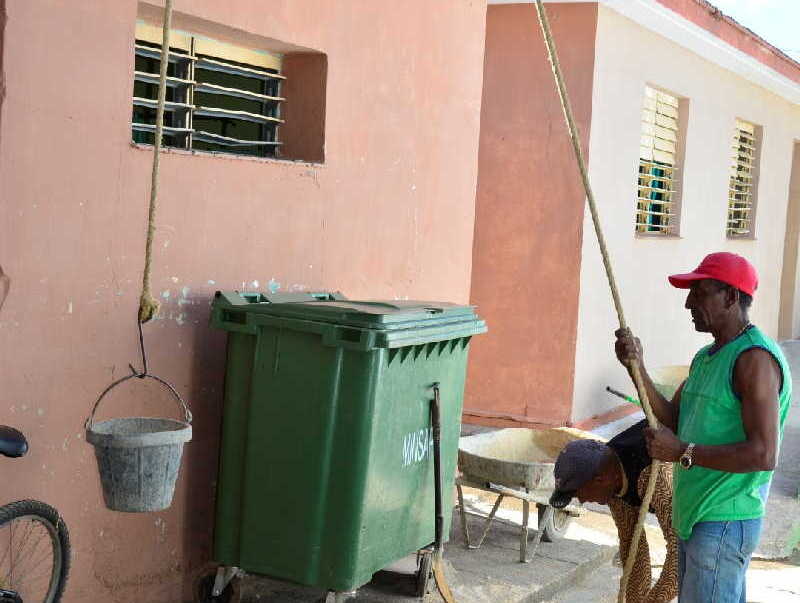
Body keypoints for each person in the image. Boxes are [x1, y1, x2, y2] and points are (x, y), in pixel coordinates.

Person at [615, 252, 792, 603]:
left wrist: (682, 452)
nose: (688, 303)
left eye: (699, 292)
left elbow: (764, 454)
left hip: (724, 520)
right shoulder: (706, 357)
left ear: (730, 297)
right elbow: (675, 417)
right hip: (697, 516)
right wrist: (636, 368)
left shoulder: (754, 360)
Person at [550, 420, 678, 602]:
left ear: (599, 480)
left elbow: (680, 554)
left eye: (579, 493)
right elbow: (633, 548)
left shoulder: (654, 477)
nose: (582, 501)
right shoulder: (612, 479)